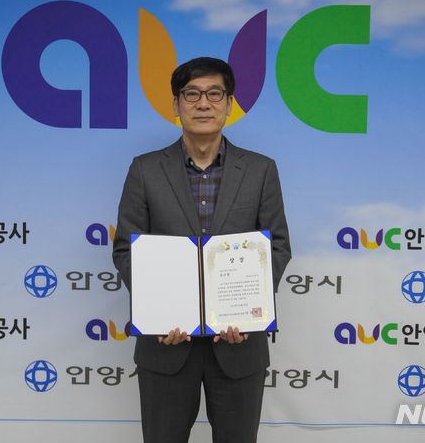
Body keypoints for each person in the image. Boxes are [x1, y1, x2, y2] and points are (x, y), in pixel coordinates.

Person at [112, 56, 291, 443]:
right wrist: (159, 312)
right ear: (176, 105)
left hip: (239, 345)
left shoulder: (260, 170)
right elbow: (126, 249)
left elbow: (277, 245)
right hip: (166, 344)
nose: (203, 104)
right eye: (191, 94)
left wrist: (248, 309)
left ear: (230, 104)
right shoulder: (145, 170)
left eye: (214, 94)